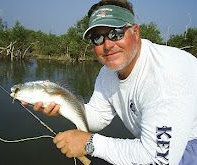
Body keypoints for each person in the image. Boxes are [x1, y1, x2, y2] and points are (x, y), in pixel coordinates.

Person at [31, 0, 197, 164]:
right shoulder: (108, 72)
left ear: (136, 32)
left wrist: (89, 144)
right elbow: (97, 117)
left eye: (116, 33)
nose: (108, 45)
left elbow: (159, 160)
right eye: (97, 38)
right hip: (159, 147)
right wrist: (60, 102)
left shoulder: (166, 75)